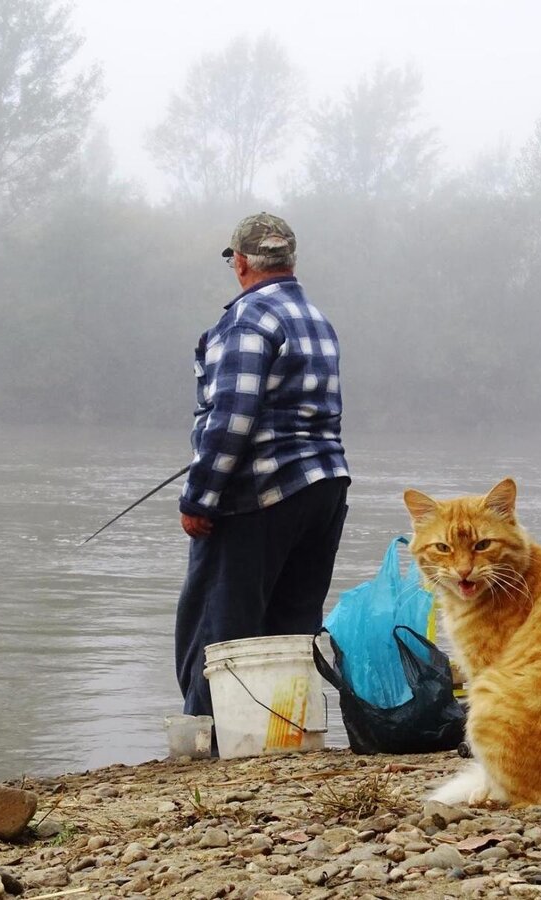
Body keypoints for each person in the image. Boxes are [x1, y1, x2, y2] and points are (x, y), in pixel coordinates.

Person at [175, 211, 351, 725]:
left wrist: (199, 499)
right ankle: (284, 734)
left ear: (241, 263)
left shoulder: (248, 319)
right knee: (292, 625)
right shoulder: (317, 319)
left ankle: (210, 736)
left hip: (261, 494)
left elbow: (231, 418)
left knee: (217, 630)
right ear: (289, 261)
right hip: (325, 488)